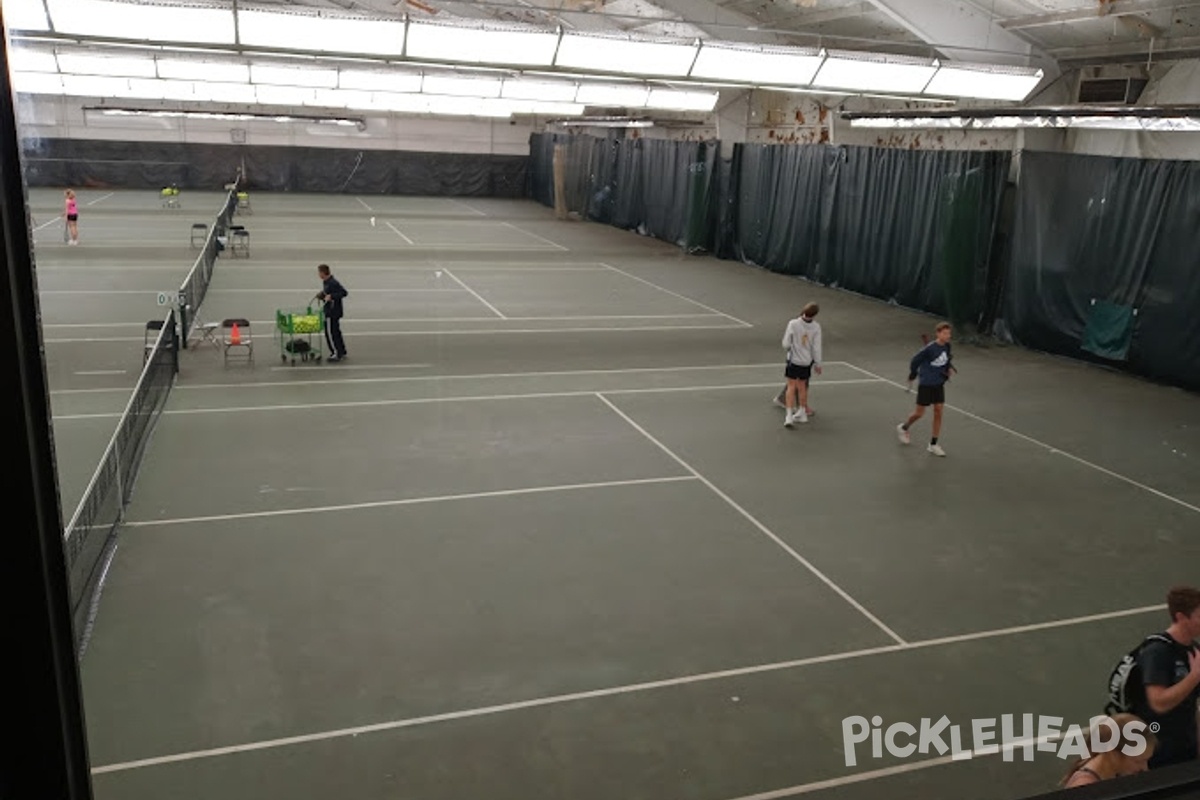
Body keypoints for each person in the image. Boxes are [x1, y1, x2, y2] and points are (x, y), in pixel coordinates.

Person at [1131, 586, 1200, 769]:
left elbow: (1193, 704)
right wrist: (1194, 676)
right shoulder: (1157, 652)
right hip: (1156, 747)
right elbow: (1158, 702)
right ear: (1180, 617)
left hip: (1186, 745)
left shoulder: (1194, 651)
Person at [897, 322, 954, 456]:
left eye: (949, 333)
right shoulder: (928, 349)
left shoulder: (947, 346)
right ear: (938, 333)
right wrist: (913, 374)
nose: (948, 336)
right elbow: (915, 361)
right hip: (926, 384)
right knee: (919, 414)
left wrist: (948, 368)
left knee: (938, 411)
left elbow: (946, 359)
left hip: (939, 384)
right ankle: (904, 427)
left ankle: (933, 444)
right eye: (945, 333)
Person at [1061, 714, 1157, 787]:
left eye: (1146, 760)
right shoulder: (1085, 786)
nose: (1145, 768)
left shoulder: (1115, 774)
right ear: (1113, 753)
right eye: (1138, 761)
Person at [780, 303, 822, 428]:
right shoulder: (816, 327)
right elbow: (816, 347)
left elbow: (786, 343)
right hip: (806, 362)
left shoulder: (793, 323)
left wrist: (789, 349)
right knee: (802, 386)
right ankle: (802, 413)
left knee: (791, 387)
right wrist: (818, 363)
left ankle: (788, 416)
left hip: (794, 361)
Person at [316, 264, 348, 362]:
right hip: (333, 310)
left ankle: (335, 353)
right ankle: (341, 350)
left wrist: (331, 296)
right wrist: (322, 295)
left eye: (319, 272)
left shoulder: (332, 282)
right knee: (336, 332)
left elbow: (344, 293)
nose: (318, 274)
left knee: (330, 333)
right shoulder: (326, 282)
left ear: (323, 273)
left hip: (332, 312)